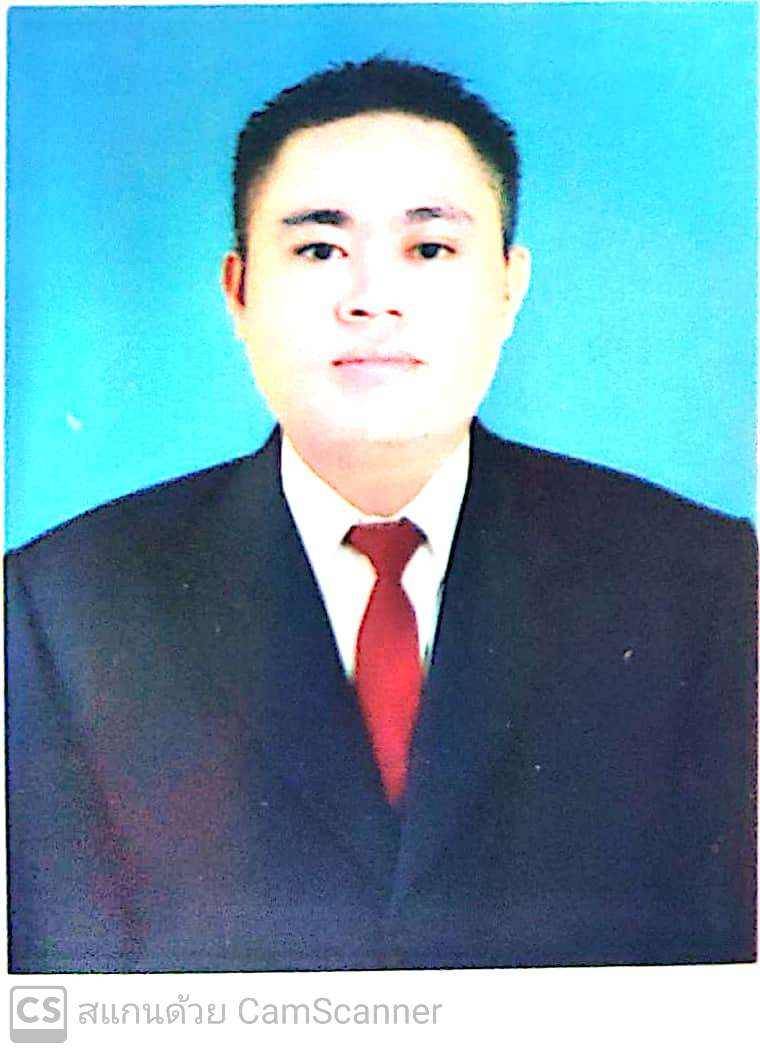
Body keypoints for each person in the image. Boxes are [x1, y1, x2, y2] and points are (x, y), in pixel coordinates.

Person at [6, 58, 756, 973]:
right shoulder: (62, 602)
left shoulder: (698, 578)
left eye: (429, 249)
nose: (371, 298)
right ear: (238, 291)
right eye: (320, 250)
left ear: (509, 287)